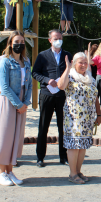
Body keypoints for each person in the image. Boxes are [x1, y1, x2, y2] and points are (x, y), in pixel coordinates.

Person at [0, 31, 32, 186]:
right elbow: (5, 87)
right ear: (10, 44)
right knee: (5, 135)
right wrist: (18, 104)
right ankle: (1, 172)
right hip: (9, 101)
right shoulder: (5, 62)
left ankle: (10, 171)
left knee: (15, 136)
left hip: (22, 101)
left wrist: (26, 102)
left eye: (22, 41)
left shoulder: (26, 61)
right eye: (16, 41)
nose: (19, 44)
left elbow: (28, 84)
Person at [58, 51, 101, 184]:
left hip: (87, 118)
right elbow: (61, 86)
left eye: (85, 62)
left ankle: (78, 171)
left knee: (83, 145)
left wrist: (98, 114)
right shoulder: (70, 76)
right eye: (80, 62)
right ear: (74, 64)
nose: (83, 65)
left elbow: (95, 97)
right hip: (73, 118)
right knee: (74, 145)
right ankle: (72, 173)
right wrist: (67, 68)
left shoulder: (90, 78)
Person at [32, 29, 72, 167]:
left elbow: (71, 73)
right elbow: (35, 73)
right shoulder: (43, 55)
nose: (58, 40)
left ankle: (64, 157)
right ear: (50, 40)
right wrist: (47, 80)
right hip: (47, 94)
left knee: (63, 127)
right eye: (55, 38)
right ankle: (40, 157)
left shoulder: (67, 55)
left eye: (60, 38)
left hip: (62, 96)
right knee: (44, 126)